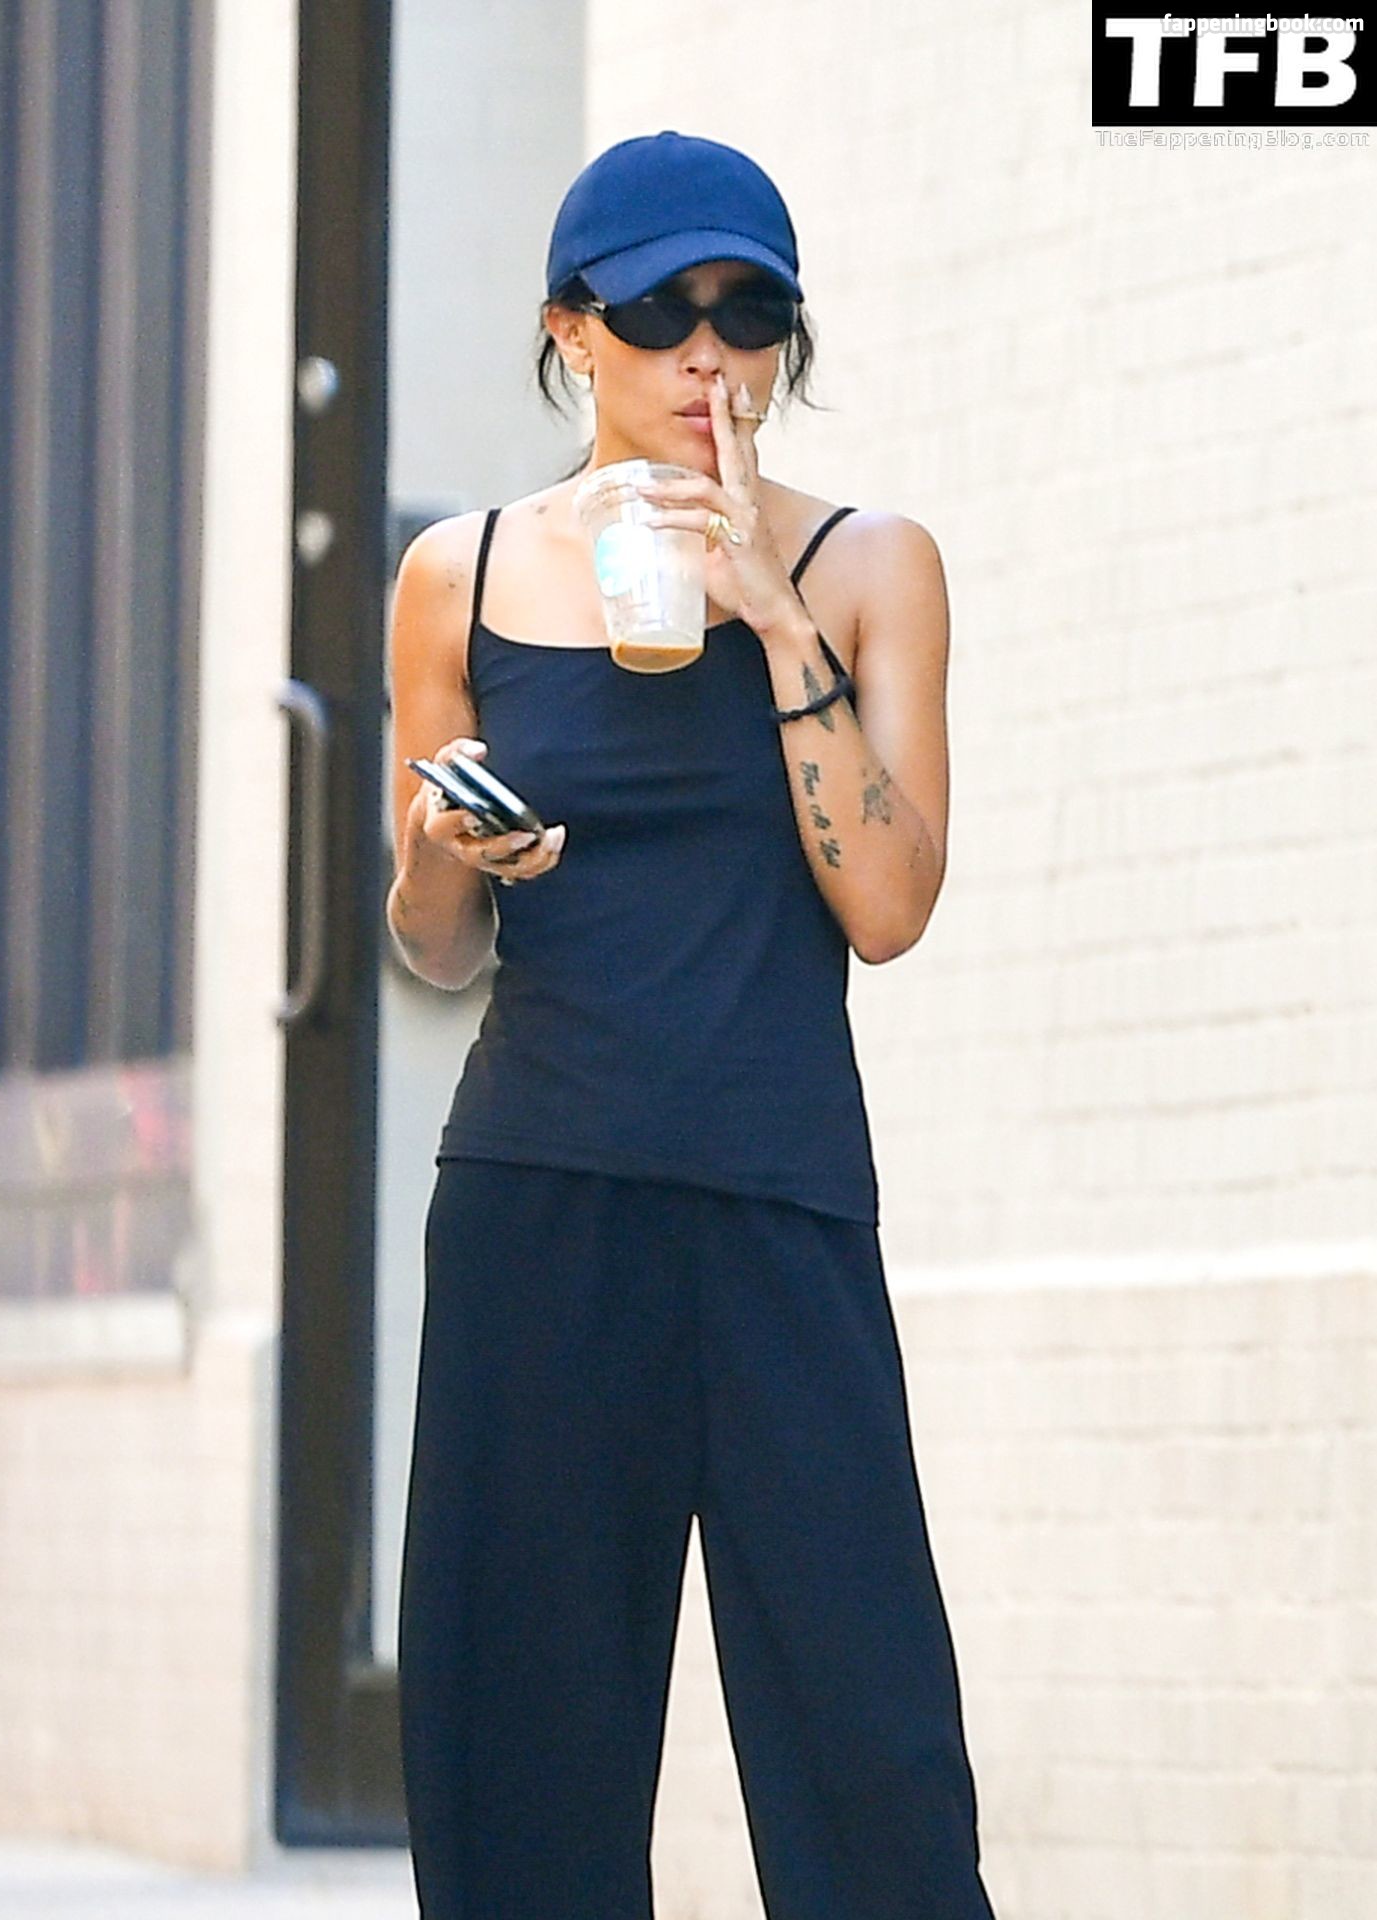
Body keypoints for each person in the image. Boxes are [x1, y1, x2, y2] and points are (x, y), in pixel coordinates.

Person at [387, 129, 998, 1920]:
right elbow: (433, 950)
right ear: (573, 330)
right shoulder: (459, 575)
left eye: (748, 315)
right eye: (662, 315)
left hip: (776, 1197)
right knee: (523, 1753)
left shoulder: (869, 565)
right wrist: (441, 847)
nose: (708, 357)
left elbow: (887, 910)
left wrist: (772, 621)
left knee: (870, 1749)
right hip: (541, 1193)